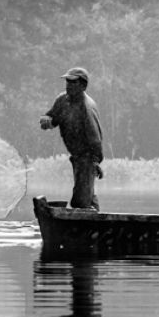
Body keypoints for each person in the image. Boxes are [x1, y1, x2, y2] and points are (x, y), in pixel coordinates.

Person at [40, 67, 104, 210]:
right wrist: (46, 119)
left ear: (83, 86)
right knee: (86, 195)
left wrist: (95, 162)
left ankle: (87, 223)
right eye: (67, 81)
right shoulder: (62, 100)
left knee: (80, 201)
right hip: (76, 156)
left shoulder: (87, 108)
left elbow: (95, 140)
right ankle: (94, 223)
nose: (68, 85)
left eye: (73, 82)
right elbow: (52, 116)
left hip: (88, 157)